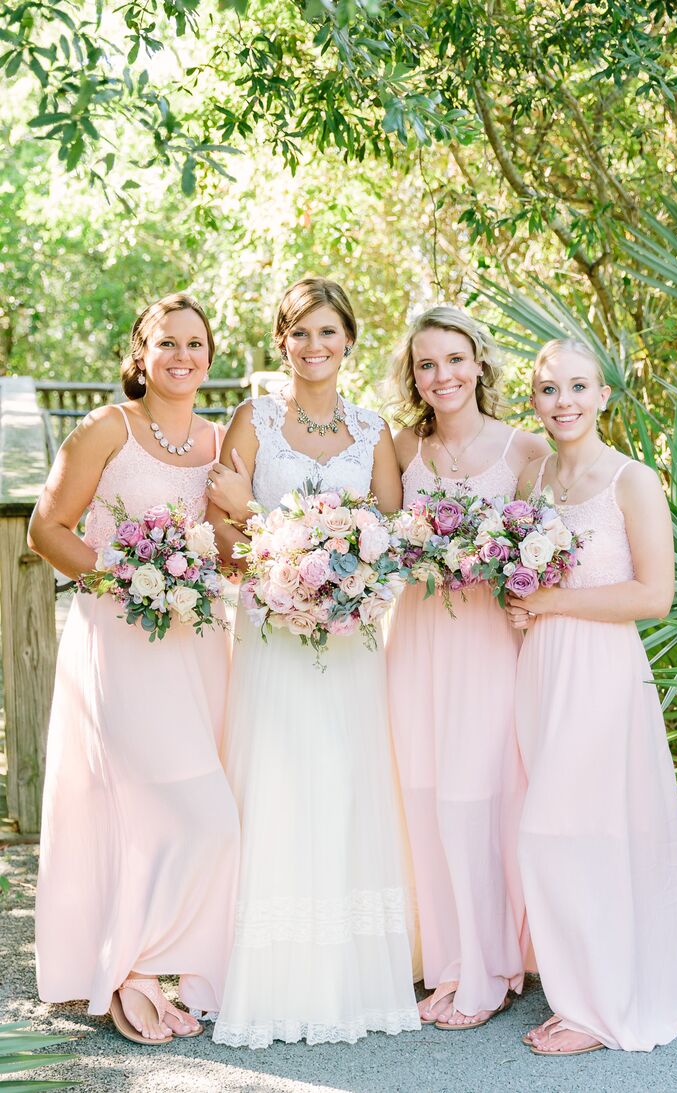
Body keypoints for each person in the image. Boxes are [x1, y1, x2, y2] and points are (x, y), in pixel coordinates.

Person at [206, 276, 420, 1049]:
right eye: (299, 333)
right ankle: (266, 971)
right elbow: (223, 532)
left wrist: (349, 584)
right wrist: (279, 560)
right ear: (280, 342)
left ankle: (346, 971)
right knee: (276, 781)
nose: (314, 346)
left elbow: (390, 530)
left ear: (349, 341)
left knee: (343, 782)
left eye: (327, 332)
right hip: (270, 631)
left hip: (350, 638)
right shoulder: (252, 419)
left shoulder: (374, 430)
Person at [506, 337, 677, 1055]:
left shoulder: (631, 480)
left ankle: (599, 1010)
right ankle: (586, 989)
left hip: (600, 669)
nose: (562, 401)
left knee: (566, 828)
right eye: (548, 388)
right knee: (568, 828)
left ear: (603, 395)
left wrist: (548, 599)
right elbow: (520, 581)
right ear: (533, 398)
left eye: (578, 386)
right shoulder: (532, 478)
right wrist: (523, 604)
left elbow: (653, 594)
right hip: (541, 668)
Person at [30, 293, 241, 1045]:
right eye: (166, 343)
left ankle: (152, 960)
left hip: (196, 647)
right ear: (140, 354)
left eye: (195, 344)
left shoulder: (220, 441)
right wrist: (123, 578)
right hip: (119, 644)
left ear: (209, 358)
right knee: (180, 809)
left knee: (203, 810)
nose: (182, 356)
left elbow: (230, 549)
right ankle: (134, 965)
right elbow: (46, 528)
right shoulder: (103, 429)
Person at [386, 307, 549, 1030]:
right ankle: (447, 959)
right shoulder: (399, 448)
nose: (442, 374)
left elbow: (540, 551)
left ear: (479, 362)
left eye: (454, 358)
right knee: (421, 795)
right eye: (426, 364)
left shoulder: (525, 450)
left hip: (485, 641)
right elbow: (385, 543)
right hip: (417, 636)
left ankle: (490, 966)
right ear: (413, 377)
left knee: (474, 798)